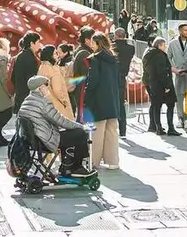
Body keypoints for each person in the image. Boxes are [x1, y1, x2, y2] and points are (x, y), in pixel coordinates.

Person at [18, 75, 93, 176]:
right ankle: (76, 167)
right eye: (46, 85)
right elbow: (60, 120)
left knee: (69, 134)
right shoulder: (43, 102)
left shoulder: (27, 101)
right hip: (46, 140)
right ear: (40, 88)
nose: (48, 88)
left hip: (35, 140)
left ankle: (66, 166)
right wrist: (81, 126)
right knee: (80, 133)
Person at [84, 32, 121, 169]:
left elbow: (93, 81)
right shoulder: (113, 59)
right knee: (112, 131)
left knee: (97, 132)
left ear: (98, 44)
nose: (91, 46)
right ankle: (113, 161)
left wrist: (87, 95)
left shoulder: (95, 59)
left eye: (93, 43)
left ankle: (94, 161)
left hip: (99, 99)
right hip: (112, 99)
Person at [142, 36, 180, 135]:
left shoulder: (149, 54)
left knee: (156, 106)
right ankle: (170, 128)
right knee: (170, 105)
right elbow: (162, 72)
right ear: (159, 45)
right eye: (164, 45)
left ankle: (158, 127)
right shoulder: (160, 55)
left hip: (153, 83)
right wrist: (167, 86)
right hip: (162, 84)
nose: (165, 47)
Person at [166, 24, 187, 129]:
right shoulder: (172, 43)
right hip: (178, 74)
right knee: (178, 98)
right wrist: (174, 69)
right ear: (180, 31)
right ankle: (180, 118)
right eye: (185, 30)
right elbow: (168, 57)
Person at [38, 45, 75, 120]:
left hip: (46, 103)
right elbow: (57, 90)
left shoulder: (42, 67)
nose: (57, 55)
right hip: (58, 105)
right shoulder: (54, 69)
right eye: (55, 53)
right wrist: (64, 101)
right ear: (50, 56)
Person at [112, 27, 136, 137]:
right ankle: (123, 130)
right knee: (121, 104)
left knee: (111, 103)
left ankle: (112, 128)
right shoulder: (130, 48)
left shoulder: (112, 47)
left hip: (111, 77)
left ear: (116, 36)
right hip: (122, 77)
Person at [11, 32, 43, 113]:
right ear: (32, 43)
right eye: (38, 42)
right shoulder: (30, 58)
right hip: (28, 98)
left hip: (19, 95)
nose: (39, 45)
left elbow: (13, 77)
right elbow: (32, 81)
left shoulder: (20, 55)